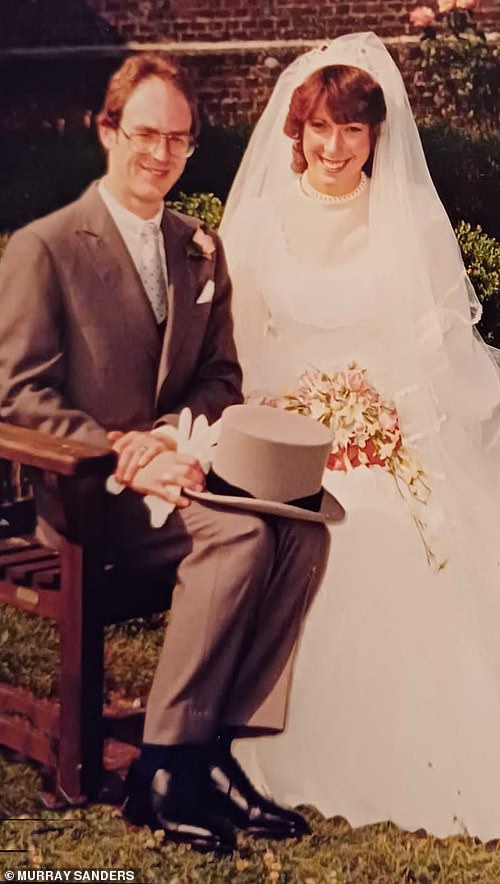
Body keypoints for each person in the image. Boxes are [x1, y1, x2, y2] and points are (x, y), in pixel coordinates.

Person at [219, 32, 500, 849]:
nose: (334, 149)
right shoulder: (261, 225)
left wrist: (382, 427)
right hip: (290, 440)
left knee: (390, 531)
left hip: (397, 441)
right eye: (320, 129)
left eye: (353, 130)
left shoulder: (406, 219)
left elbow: (440, 358)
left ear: (376, 136)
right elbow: (240, 356)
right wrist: (301, 426)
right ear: (294, 133)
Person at [0, 53, 329, 854]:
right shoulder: (44, 248)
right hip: (79, 496)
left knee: (303, 530)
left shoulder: (199, 248)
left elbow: (222, 377)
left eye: (179, 140)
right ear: (107, 129)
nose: (162, 154)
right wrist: (122, 451)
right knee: (241, 533)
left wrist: (174, 437)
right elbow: (18, 397)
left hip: (178, 476)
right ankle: (164, 766)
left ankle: (210, 750)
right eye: (145, 133)